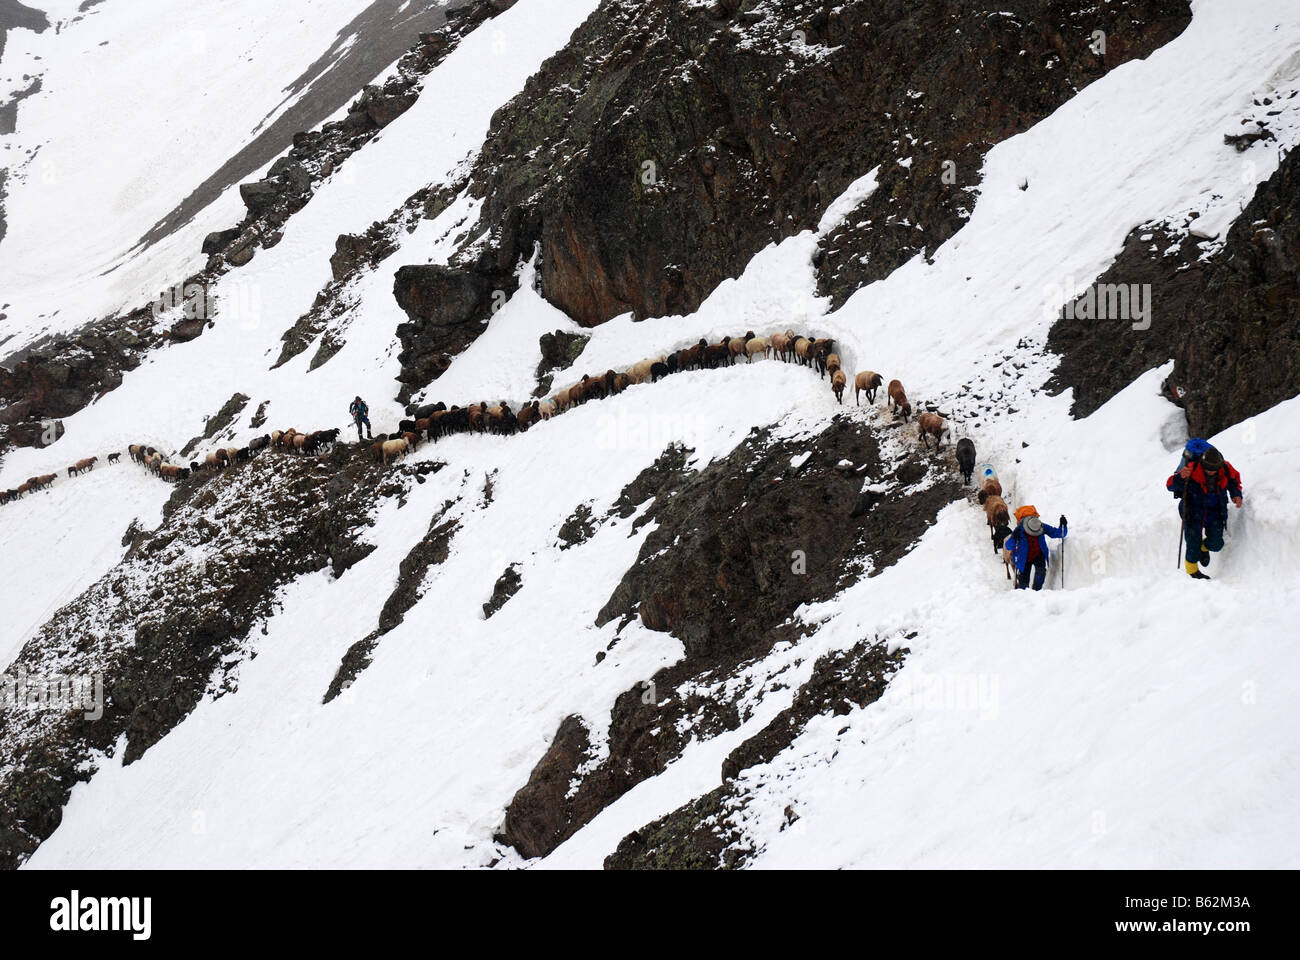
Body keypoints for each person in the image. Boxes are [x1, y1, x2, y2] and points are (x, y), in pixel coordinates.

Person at [1167, 441, 1242, 579]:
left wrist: (1236, 494)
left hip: (1215, 512)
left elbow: (1234, 481)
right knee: (1192, 543)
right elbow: (1170, 485)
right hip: (1192, 511)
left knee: (1216, 543)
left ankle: (1204, 548)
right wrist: (1180, 477)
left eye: (1214, 469)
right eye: (1208, 469)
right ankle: (1192, 572)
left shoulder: (1225, 468)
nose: (1211, 472)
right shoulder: (1191, 469)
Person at [1004, 505, 1067, 591]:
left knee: (1037, 576)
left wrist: (1063, 525)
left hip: (1035, 556)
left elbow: (1059, 533)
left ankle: (1034, 593)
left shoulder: (1038, 526)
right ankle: (1026, 596)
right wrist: (1014, 537)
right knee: (1025, 583)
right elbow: (1008, 546)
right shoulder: (1020, 530)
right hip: (1026, 558)